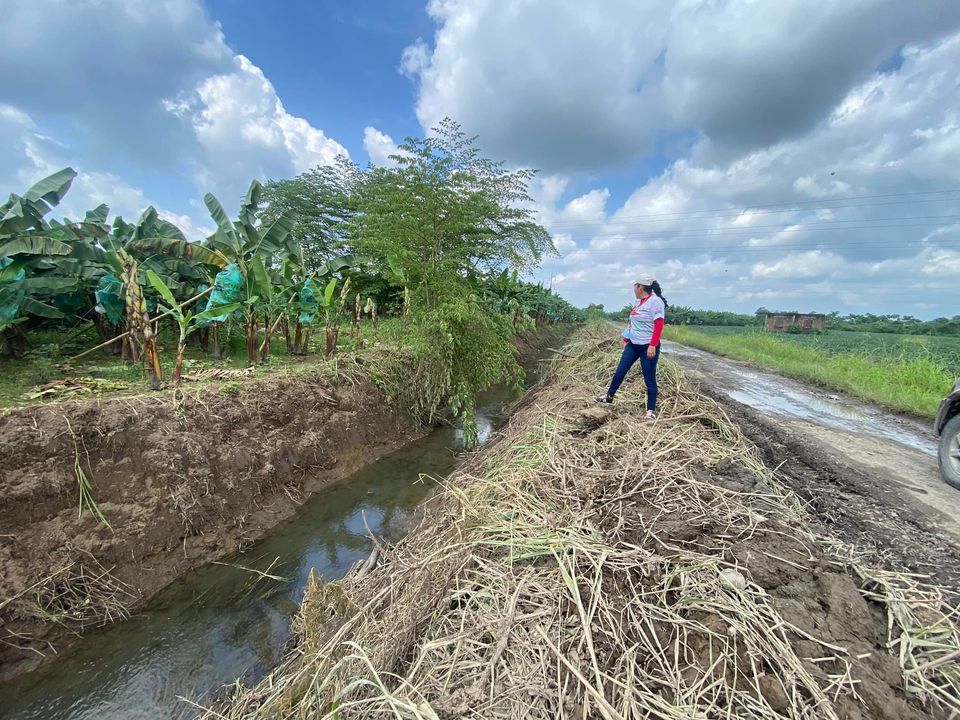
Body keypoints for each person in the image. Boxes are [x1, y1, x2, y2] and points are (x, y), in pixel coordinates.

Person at [596, 276, 667, 418]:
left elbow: (659, 325)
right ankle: (609, 396)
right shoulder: (638, 302)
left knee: (649, 378)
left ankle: (650, 411)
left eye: (635, 286)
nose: (634, 289)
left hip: (647, 347)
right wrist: (627, 338)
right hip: (633, 345)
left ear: (640, 287)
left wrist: (652, 345)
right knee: (620, 371)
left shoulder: (655, 302)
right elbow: (632, 322)